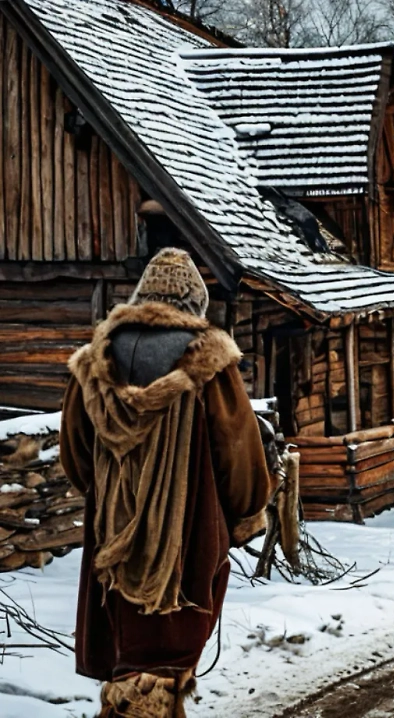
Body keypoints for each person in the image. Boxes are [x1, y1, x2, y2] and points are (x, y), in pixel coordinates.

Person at [59, 248, 273, 718]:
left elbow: (75, 457)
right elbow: (237, 450)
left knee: (129, 658)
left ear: (140, 298)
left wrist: (112, 498)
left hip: (111, 545)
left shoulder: (93, 365)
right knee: (169, 658)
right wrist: (243, 511)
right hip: (188, 538)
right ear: (194, 302)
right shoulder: (210, 365)